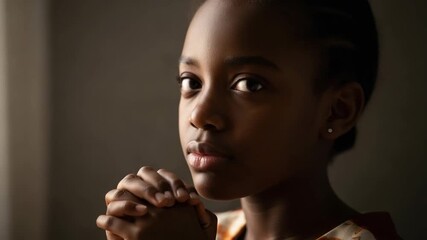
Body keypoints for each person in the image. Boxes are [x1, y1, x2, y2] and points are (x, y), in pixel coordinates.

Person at [96, 0, 402, 239]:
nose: (200, 115)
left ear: (338, 110)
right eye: (191, 82)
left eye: (249, 85)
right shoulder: (202, 231)